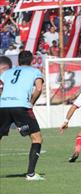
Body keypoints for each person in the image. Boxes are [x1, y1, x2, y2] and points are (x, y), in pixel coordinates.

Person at [0, 51, 44, 181]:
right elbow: (39, 88)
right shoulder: (35, 71)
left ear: (18, 61)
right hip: (21, 106)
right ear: (32, 61)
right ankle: (31, 174)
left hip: (3, 106)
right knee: (37, 138)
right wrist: (31, 102)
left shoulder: (7, 73)